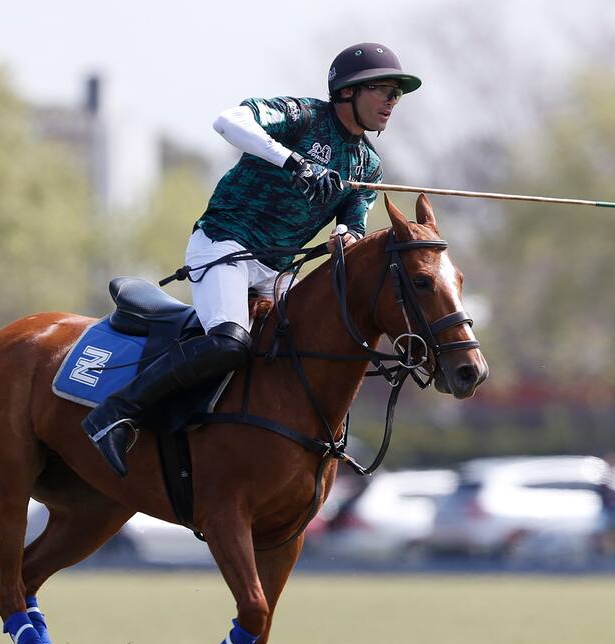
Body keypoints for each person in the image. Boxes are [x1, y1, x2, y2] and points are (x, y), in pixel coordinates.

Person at [84, 42, 422, 476]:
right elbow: (228, 121)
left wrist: (344, 237)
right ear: (348, 92)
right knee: (229, 342)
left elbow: (353, 222)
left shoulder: (368, 165)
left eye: (398, 94)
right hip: (225, 243)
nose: (393, 103)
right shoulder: (303, 116)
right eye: (385, 91)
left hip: (276, 268)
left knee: (299, 348)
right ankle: (115, 412)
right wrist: (294, 162)